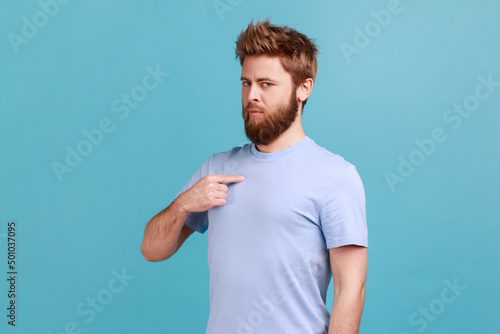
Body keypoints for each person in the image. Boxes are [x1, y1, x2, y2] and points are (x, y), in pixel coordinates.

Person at [141, 19, 368, 334]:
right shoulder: (216, 168)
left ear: (304, 88)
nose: (252, 96)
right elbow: (152, 250)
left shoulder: (335, 177)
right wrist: (184, 204)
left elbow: (350, 290)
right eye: (246, 83)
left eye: (266, 84)